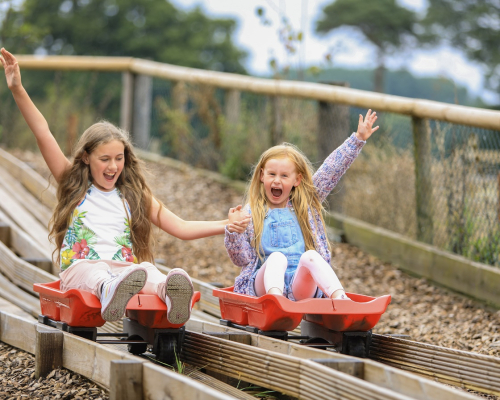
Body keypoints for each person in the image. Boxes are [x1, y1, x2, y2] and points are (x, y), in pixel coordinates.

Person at [1, 48, 250, 323]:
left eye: (119, 159)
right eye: (104, 159)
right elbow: (43, 132)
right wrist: (17, 89)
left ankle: (172, 295)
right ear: (86, 157)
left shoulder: (132, 196)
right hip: (81, 271)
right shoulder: (73, 184)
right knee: (96, 273)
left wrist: (226, 225)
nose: (113, 166)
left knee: (149, 271)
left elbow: (181, 227)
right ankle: (109, 292)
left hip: (124, 272)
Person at [225, 109, 378, 301]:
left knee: (312, 257)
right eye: (272, 174)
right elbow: (241, 259)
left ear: (297, 180)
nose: (277, 181)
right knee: (276, 258)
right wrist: (234, 232)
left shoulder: (305, 205)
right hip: (264, 288)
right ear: (262, 175)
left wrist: (357, 139)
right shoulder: (251, 213)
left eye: (284, 176)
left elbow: (331, 170)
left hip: (300, 288)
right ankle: (277, 302)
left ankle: (340, 300)